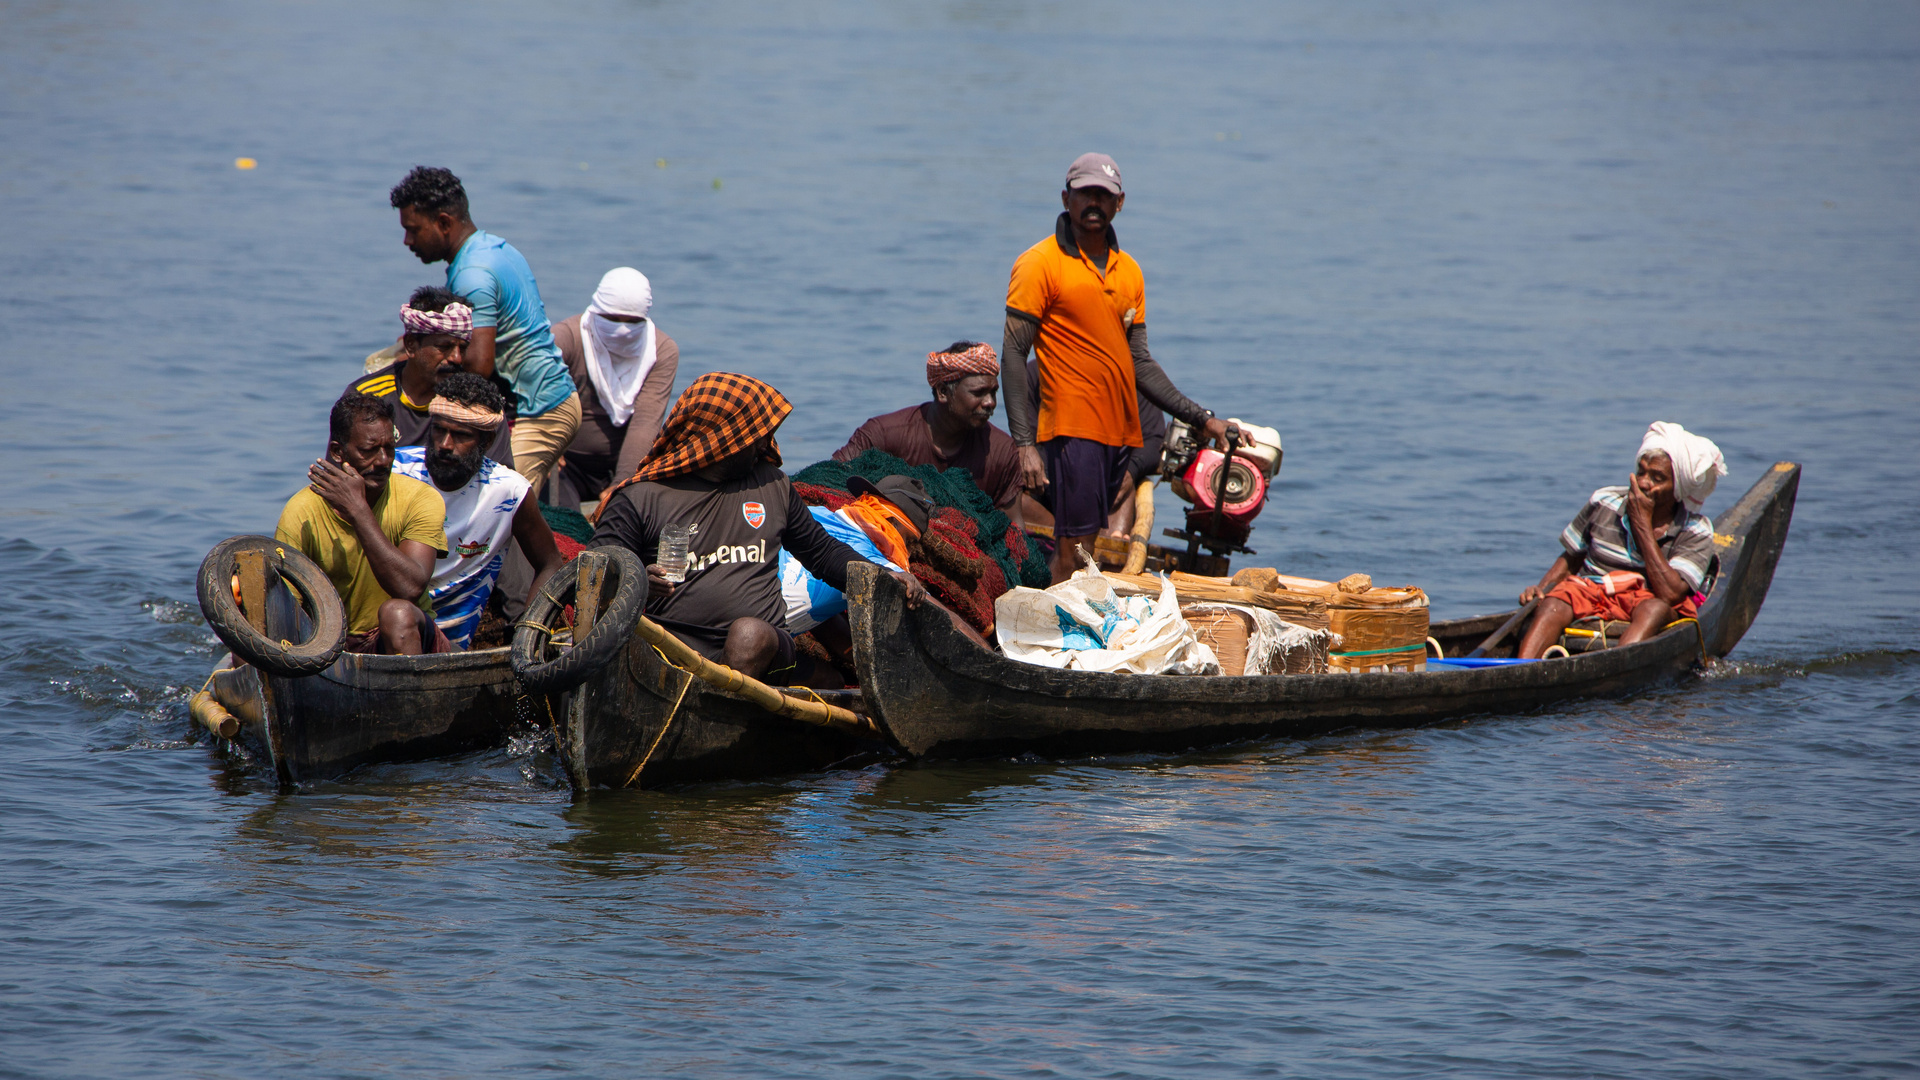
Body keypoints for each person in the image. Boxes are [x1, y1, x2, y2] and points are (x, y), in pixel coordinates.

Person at [588, 373, 926, 684]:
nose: (766, 445)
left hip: (767, 649)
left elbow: (822, 553)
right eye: (756, 437)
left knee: (749, 635)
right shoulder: (640, 498)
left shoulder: (772, 485)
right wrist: (639, 580)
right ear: (724, 440)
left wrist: (880, 573)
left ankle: (720, 709)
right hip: (670, 644)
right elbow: (594, 575)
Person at [1000, 152, 1231, 583]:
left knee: (1086, 547)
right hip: (1073, 429)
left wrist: (1203, 418)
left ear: (1119, 203)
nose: (1094, 202)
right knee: (1076, 551)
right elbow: (1013, 352)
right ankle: (1050, 640)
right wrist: (1024, 444)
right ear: (1066, 197)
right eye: (1085, 192)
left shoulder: (1130, 273)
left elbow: (1139, 361)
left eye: (1104, 195)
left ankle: (1060, 629)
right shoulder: (1039, 263)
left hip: (1121, 435)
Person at [389, 166, 580, 491]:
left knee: (503, 504)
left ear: (444, 223)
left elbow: (478, 365)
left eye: (413, 229)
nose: (407, 240)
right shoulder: (491, 247)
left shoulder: (473, 274)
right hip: (547, 397)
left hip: (539, 411)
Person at [1517, 422, 1728, 659]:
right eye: (1642, 471)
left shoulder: (1694, 529)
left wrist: (1641, 525)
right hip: (1592, 591)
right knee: (1554, 602)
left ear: (1677, 489)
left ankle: (1614, 670)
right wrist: (1542, 590)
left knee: (1655, 609)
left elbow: (1670, 594)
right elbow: (1570, 560)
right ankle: (1518, 672)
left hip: (1647, 600)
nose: (1644, 482)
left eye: (1658, 478)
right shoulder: (1604, 502)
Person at [389, 374, 567, 649]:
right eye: (439, 430)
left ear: (486, 441)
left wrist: (530, 634)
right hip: (385, 627)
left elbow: (550, 563)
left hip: (452, 644)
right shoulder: (394, 470)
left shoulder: (509, 492)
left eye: (461, 435)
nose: (445, 445)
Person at [275, 392, 449, 655]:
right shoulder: (301, 512)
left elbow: (409, 588)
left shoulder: (420, 498)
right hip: (331, 646)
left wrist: (359, 511)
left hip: (403, 638)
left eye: (389, 448)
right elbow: (286, 612)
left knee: (397, 613)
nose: (382, 461)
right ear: (337, 451)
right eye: (368, 450)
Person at [832, 341, 1024, 524]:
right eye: (979, 393)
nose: (990, 402)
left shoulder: (1001, 451)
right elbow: (831, 477)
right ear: (942, 392)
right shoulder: (883, 434)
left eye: (993, 392)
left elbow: (1015, 527)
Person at [548, 267, 680, 508]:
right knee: (563, 516)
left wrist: (623, 482)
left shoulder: (661, 350)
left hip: (625, 463)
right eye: (612, 319)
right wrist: (548, 448)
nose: (621, 329)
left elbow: (646, 422)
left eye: (632, 322)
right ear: (597, 311)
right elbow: (531, 399)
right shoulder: (566, 338)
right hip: (565, 462)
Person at [345, 286, 514, 467]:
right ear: (411, 345)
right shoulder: (366, 397)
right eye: (444, 347)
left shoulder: (480, 404)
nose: (456, 358)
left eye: (462, 348)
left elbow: (501, 480)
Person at [1018, 356, 1165, 541]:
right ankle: (1071, 543)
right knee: (1015, 496)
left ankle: (1106, 552)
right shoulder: (1034, 373)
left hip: (1106, 490)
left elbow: (1154, 440)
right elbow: (1029, 444)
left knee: (1125, 487)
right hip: (1049, 486)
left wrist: (1131, 470)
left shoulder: (1131, 374)